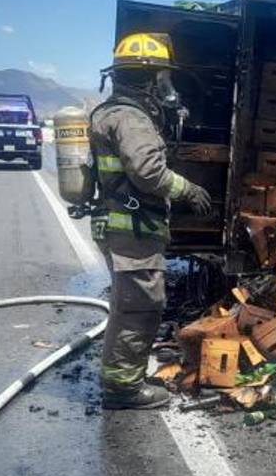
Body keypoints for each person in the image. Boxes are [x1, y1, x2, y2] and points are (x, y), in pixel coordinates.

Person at [89, 32, 212, 410]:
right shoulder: (130, 118)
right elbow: (148, 172)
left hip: (126, 227)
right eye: (162, 77)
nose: (167, 85)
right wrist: (189, 190)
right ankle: (123, 391)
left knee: (131, 305)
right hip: (131, 229)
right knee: (139, 307)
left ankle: (122, 381)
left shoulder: (113, 112)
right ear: (148, 78)